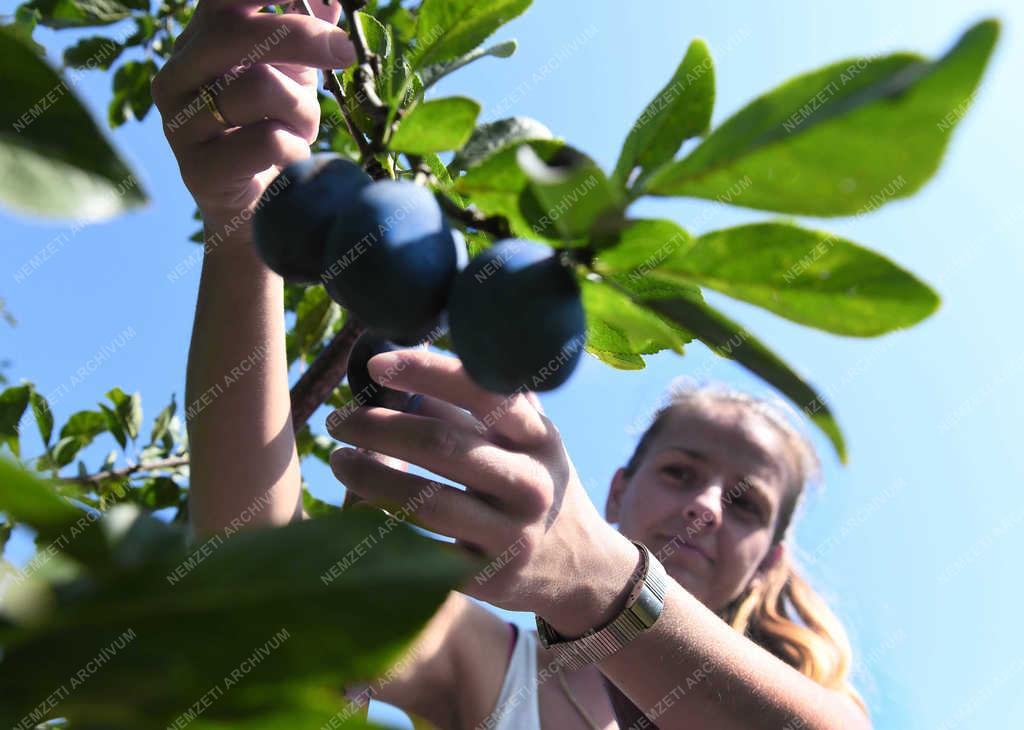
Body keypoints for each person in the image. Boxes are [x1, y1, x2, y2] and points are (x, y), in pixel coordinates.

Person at [151, 3, 873, 728]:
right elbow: (267, 610)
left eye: (744, 502)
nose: (704, 505)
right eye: (680, 471)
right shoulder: (498, 668)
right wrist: (244, 227)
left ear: (772, 560)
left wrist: (600, 580)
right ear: (616, 492)